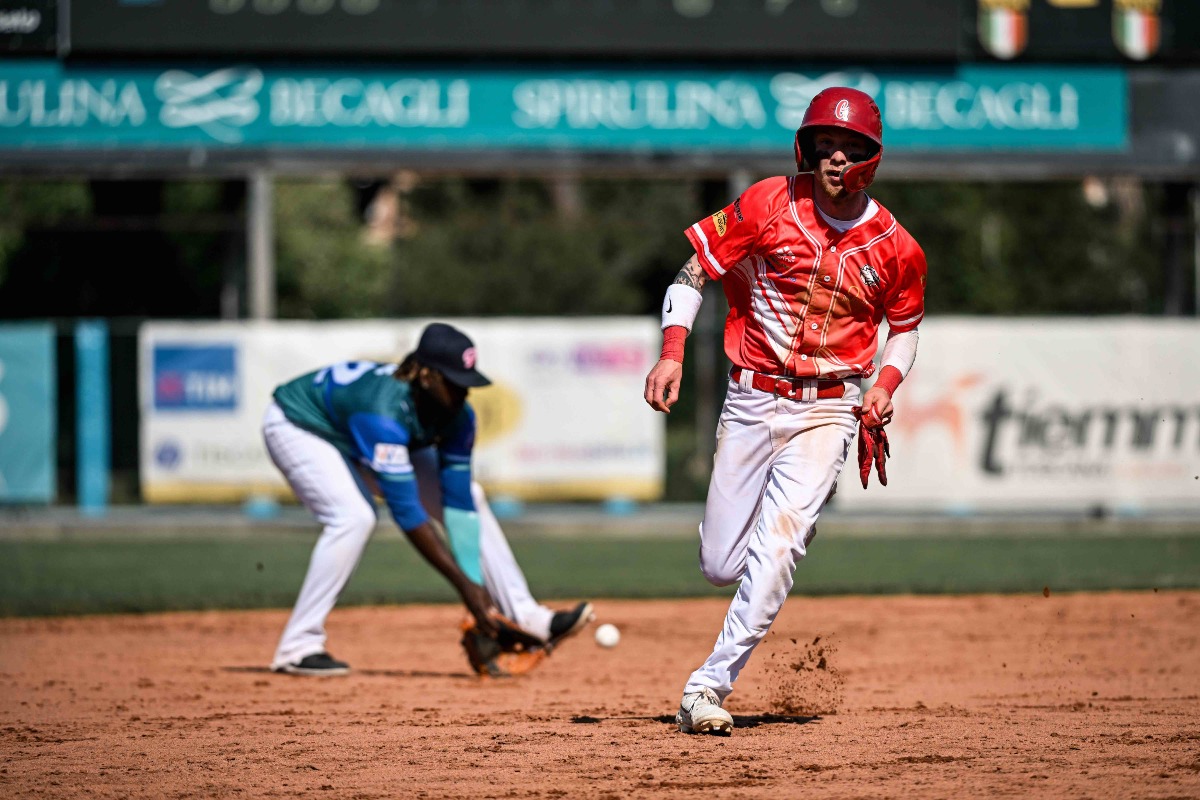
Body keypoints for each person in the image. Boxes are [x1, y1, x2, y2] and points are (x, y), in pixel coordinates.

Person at [643, 87, 927, 734]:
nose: (833, 159)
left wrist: (882, 386)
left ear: (871, 159)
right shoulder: (769, 202)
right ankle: (787, 531)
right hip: (750, 398)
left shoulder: (896, 247)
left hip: (828, 409)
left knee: (778, 547)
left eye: (847, 149)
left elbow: (904, 329)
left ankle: (707, 688)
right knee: (719, 564)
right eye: (823, 145)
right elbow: (693, 272)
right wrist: (672, 352)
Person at [263, 321, 594, 677]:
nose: (462, 393)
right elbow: (407, 514)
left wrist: (476, 598)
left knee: (473, 495)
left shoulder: (459, 418)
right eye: (453, 382)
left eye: (467, 383)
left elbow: (458, 507)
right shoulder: (383, 414)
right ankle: (298, 647)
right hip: (299, 425)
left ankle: (526, 616)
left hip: (351, 429)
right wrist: (466, 588)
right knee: (353, 517)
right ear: (426, 376)